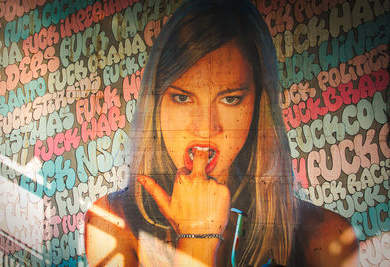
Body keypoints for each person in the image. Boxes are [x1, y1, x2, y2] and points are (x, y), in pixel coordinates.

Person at [85, 0, 359, 266]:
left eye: (230, 99)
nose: (205, 127)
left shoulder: (324, 235)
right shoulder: (112, 221)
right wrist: (197, 239)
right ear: (155, 103)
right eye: (182, 98)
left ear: (258, 105)